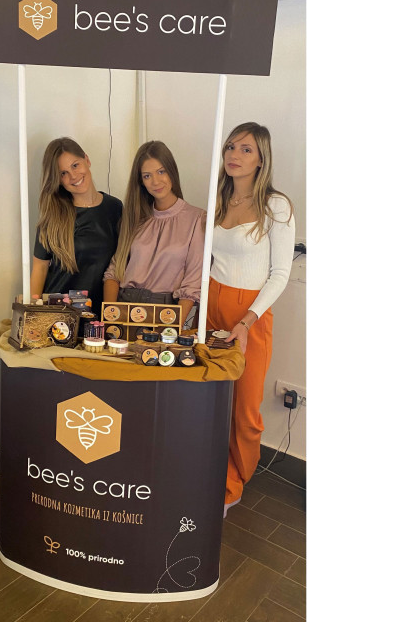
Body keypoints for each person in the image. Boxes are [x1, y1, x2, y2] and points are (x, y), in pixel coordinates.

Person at [205, 122, 295, 517]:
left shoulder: (276, 207)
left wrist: (246, 320)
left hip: (250, 313)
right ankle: (207, 471)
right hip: (211, 303)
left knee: (245, 407)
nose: (234, 155)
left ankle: (234, 481)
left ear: (261, 160)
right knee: (210, 397)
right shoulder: (219, 199)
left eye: (246, 149)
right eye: (230, 147)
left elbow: (280, 274)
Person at [103, 141, 205, 327]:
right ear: (141, 181)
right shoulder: (134, 217)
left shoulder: (197, 218)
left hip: (165, 312)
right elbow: (114, 271)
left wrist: (172, 330)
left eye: (161, 171)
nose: (156, 182)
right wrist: (109, 319)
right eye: (147, 176)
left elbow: (193, 283)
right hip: (124, 307)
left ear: (172, 171)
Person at [31, 137, 122, 310]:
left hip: (100, 314)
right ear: (58, 180)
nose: (73, 176)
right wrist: (33, 311)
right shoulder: (53, 216)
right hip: (58, 314)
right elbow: (39, 268)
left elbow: (121, 262)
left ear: (87, 160)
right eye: (63, 173)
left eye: (75, 165)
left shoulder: (115, 208)